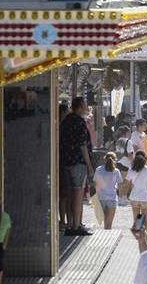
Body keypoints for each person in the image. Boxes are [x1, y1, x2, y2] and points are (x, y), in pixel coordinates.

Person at [59, 96, 93, 235]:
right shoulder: (80, 122)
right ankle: (76, 226)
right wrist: (89, 165)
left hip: (66, 161)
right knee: (78, 194)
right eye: (85, 105)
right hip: (78, 162)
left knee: (70, 194)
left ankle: (70, 223)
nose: (86, 107)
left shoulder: (65, 121)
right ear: (80, 106)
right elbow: (82, 145)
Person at [125, 150, 147, 226]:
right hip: (146, 198)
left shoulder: (131, 170)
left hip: (134, 197)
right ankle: (143, 235)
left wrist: (122, 194)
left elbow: (125, 183)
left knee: (137, 221)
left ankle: (138, 234)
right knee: (145, 221)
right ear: (145, 159)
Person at [93, 151, 121, 229]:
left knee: (104, 219)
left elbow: (96, 184)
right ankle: (108, 237)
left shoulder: (98, 169)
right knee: (109, 224)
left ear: (105, 159)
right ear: (115, 160)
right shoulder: (116, 171)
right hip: (112, 198)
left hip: (101, 198)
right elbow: (119, 185)